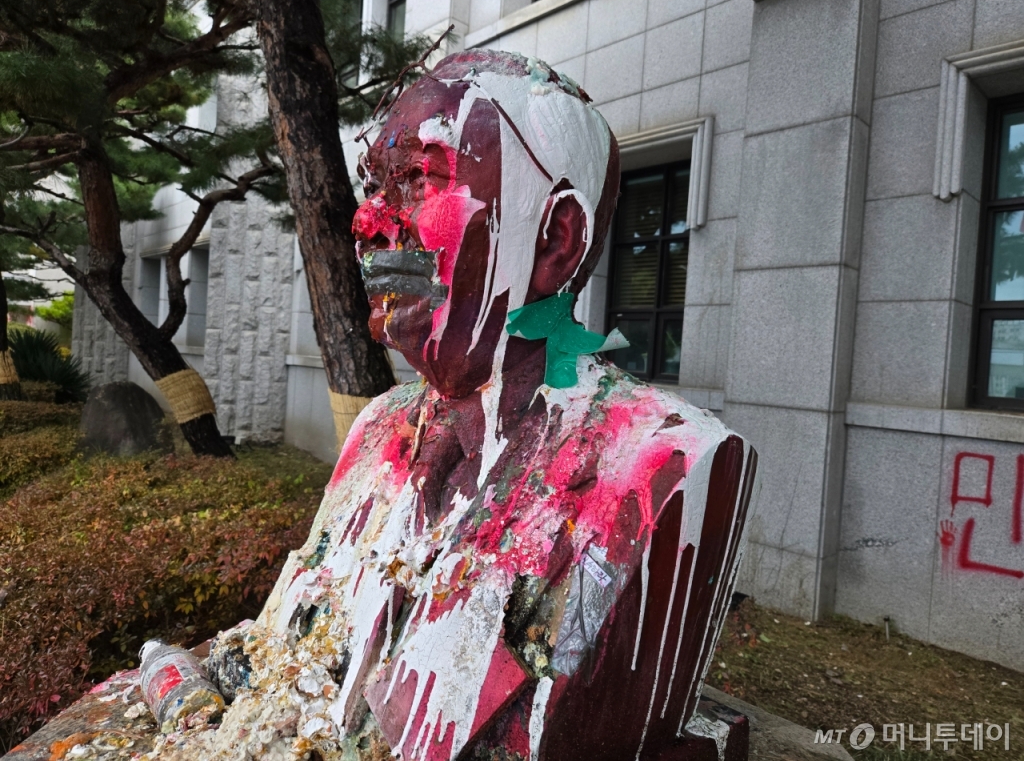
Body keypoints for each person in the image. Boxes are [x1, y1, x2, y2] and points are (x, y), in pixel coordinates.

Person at [161, 49, 757, 761]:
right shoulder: (382, 427)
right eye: (376, 186)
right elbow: (287, 655)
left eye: (418, 179)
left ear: (554, 240)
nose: (371, 223)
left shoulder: (661, 463)